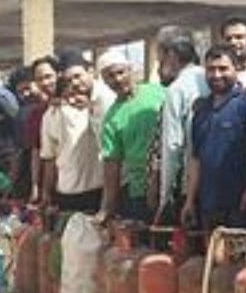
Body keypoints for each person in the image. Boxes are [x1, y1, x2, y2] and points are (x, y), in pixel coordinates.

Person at [181, 46, 246, 231]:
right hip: (208, 205)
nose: (216, 75)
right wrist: (190, 200)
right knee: (213, 258)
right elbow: (196, 159)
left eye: (223, 69)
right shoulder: (200, 111)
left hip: (241, 204)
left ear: (236, 69)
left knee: (241, 257)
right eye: (211, 69)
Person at [95, 50, 165, 222]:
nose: (117, 79)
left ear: (130, 70)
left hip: (171, 183)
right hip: (140, 192)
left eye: (120, 72)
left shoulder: (160, 93)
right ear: (104, 81)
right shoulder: (112, 118)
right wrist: (106, 207)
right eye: (110, 76)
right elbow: (112, 165)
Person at [40, 56, 106, 214]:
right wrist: (46, 193)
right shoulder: (50, 115)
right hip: (66, 192)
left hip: (99, 190)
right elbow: (49, 159)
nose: (74, 84)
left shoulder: (98, 104)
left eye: (77, 77)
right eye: (68, 81)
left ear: (90, 73)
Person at [154, 36, 208, 222]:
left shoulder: (177, 89)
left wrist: (164, 198)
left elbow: (172, 146)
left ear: (172, 56)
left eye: (160, 60)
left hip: (190, 185)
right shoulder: (211, 75)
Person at [23, 56, 60, 204]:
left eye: (48, 76)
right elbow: (36, 151)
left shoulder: (79, 105)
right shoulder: (38, 114)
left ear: (58, 75)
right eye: (39, 79)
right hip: (51, 183)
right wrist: (35, 185)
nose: (45, 83)